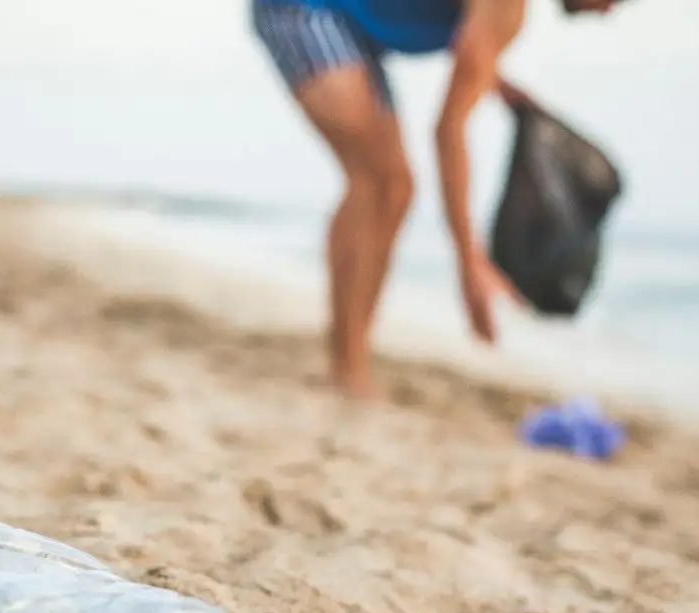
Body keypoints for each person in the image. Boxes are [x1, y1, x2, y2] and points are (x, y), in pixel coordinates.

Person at [252, 0, 624, 398]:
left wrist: (489, 75)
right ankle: (347, 367)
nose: (615, 9)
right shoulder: (506, 8)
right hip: (301, 8)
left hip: (350, 27)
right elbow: (448, 131)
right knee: (375, 179)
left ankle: (350, 361)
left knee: (394, 189)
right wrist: (470, 263)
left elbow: (456, 40)